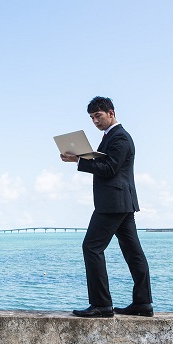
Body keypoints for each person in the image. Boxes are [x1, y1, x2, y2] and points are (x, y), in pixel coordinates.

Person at [60, 96, 153, 318]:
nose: (95, 121)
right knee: (133, 253)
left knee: (91, 247)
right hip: (120, 202)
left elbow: (110, 168)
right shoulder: (111, 137)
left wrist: (79, 161)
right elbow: (107, 164)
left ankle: (102, 305)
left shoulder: (120, 137)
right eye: (92, 118)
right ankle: (143, 304)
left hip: (113, 203)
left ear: (111, 113)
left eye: (98, 116)